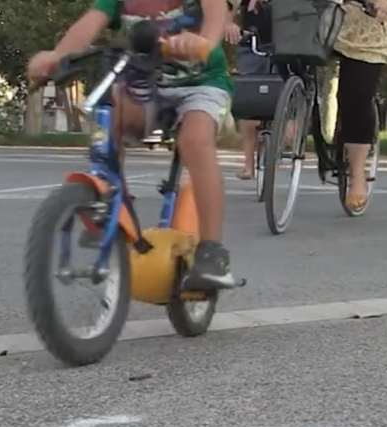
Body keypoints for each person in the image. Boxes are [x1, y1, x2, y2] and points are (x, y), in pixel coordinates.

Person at [27, 0, 237, 291]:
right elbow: (88, 24)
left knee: (196, 140)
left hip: (201, 84)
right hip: (144, 84)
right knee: (111, 116)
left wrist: (203, 41)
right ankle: (114, 205)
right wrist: (58, 56)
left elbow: (216, 15)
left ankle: (213, 251)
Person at [332, 0, 387, 212]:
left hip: (365, 30)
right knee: (282, 58)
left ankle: (357, 173)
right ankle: (288, 123)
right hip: (317, 21)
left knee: (356, 98)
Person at [224, 0, 273, 180]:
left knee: (286, 98)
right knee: (248, 105)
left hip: (288, 43)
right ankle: (249, 164)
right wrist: (229, 23)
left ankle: (275, 152)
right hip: (252, 43)